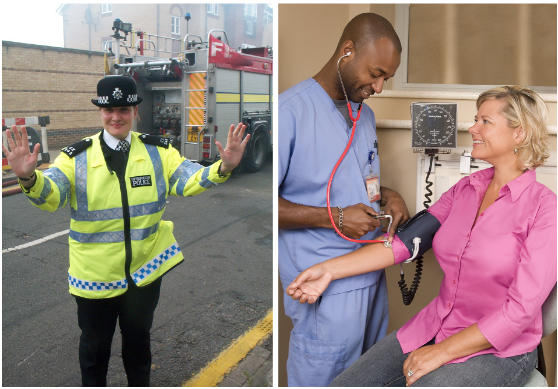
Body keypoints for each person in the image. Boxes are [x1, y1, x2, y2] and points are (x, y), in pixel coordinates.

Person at [286, 85, 557, 387]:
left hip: (499, 350)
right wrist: (329, 270)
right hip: (435, 325)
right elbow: (403, 243)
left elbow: (519, 312)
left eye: (485, 121)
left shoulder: (545, 209)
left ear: (518, 134)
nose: (472, 127)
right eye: (475, 119)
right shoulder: (465, 190)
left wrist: (441, 352)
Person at [2, 75, 250, 387]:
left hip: (143, 275)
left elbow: (188, 179)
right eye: (109, 110)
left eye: (124, 109)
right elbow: (50, 194)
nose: (116, 117)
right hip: (94, 279)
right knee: (94, 353)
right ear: (100, 113)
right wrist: (28, 179)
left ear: (135, 111)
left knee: (139, 346)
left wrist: (222, 168)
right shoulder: (75, 157)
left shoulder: (158, 151)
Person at [279, 13, 411, 386]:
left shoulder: (364, 116)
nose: (380, 86)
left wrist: (390, 195)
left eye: (387, 78)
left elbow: (354, 181)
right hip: (324, 285)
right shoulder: (289, 113)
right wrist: (335, 217)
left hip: (370, 274)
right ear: (347, 51)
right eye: (376, 73)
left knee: (367, 377)